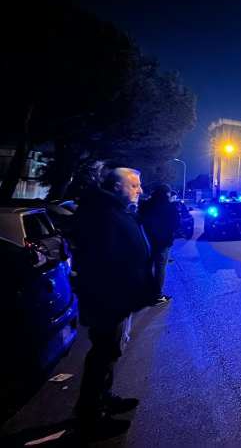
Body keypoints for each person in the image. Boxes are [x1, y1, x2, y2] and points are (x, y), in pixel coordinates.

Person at [71, 167, 154, 439]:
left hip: (116, 299)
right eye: (134, 185)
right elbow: (100, 262)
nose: (139, 190)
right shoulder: (102, 214)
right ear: (116, 187)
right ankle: (90, 418)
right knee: (102, 355)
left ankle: (103, 399)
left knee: (108, 354)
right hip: (107, 300)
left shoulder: (113, 210)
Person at [139, 183, 180, 305]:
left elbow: (140, 220)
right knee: (160, 268)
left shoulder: (146, 205)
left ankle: (145, 292)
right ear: (167, 193)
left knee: (147, 267)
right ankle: (157, 296)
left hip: (147, 242)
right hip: (163, 242)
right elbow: (176, 224)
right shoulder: (171, 207)